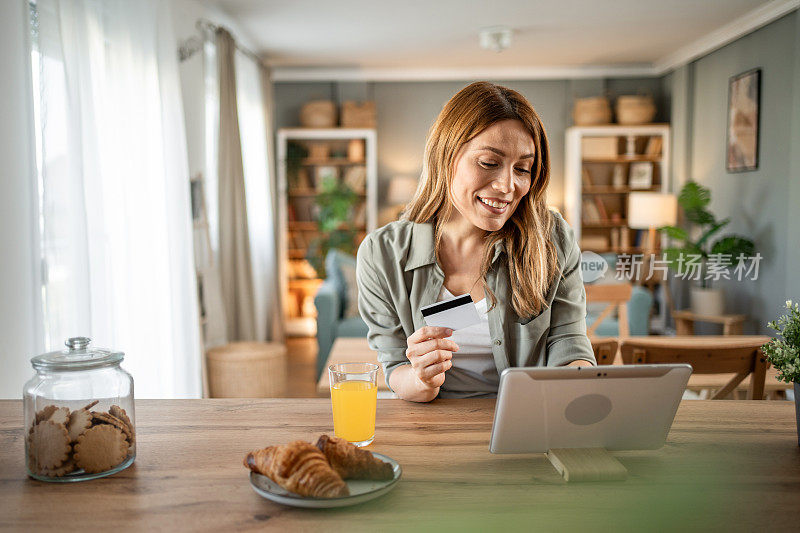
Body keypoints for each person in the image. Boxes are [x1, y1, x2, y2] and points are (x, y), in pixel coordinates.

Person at [356, 81, 595, 402]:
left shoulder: (551, 238)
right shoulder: (382, 253)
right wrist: (421, 379)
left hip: (529, 417)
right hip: (434, 426)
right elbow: (395, 365)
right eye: (489, 163)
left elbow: (568, 340)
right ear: (446, 156)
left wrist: (580, 383)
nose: (508, 186)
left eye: (523, 168)